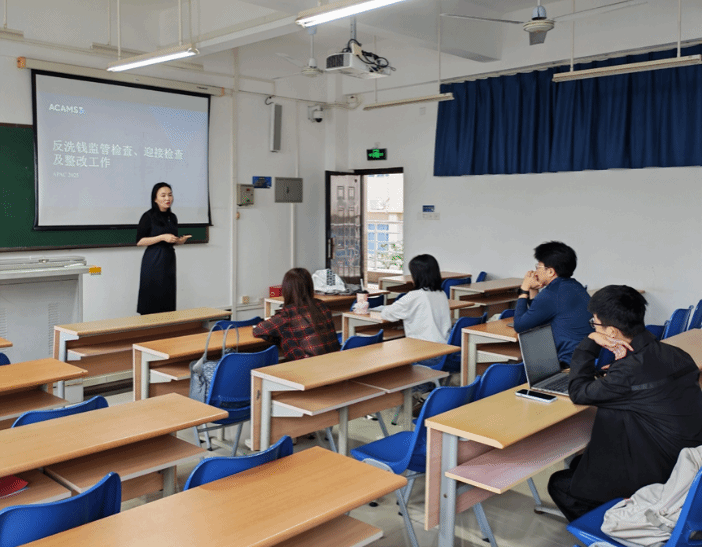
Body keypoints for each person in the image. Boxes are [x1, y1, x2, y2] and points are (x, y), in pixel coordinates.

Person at [548, 285, 702, 522]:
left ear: (611, 331)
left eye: (595, 324)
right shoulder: (676, 354)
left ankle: (613, 527)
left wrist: (589, 342)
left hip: (659, 477)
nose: (593, 327)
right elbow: (646, 382)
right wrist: (619, 372)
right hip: (685, 464)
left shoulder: (628, 372)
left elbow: (578, 392)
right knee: (579, 462)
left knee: (559, 484)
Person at [513, 241, 592, 365]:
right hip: (587, 359)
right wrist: (533, 289)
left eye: (538, 267)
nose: (535, 272)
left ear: (550, 271)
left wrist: (524, 289)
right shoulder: (575, 286)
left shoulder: (551, 293)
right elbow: (538, 316)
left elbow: (519, 326)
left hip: (568, 364)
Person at [252, 268, 340, 360]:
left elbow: (258, 330)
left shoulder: (288, 314)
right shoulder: (322, 305)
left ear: (286, 289)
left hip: (307, 365)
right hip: (333, 360)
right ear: (310, 286)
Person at [136, 182, 191, 314]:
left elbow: (170, 240)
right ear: (155, 199)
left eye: (170, 195)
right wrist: (161, 237)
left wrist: (179, 241)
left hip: (169, 260)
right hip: (153, 260)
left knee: (167, 299)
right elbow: (139, 241)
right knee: (152, 300)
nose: (167, 198)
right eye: (163, 195)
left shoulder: (172, 217)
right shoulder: (148, 216)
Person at [380, 254, 451, 344]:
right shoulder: (441, 294)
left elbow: (386, 314)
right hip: (444, 346)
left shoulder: (415, 296)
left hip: (423, 348)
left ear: (417, 276)